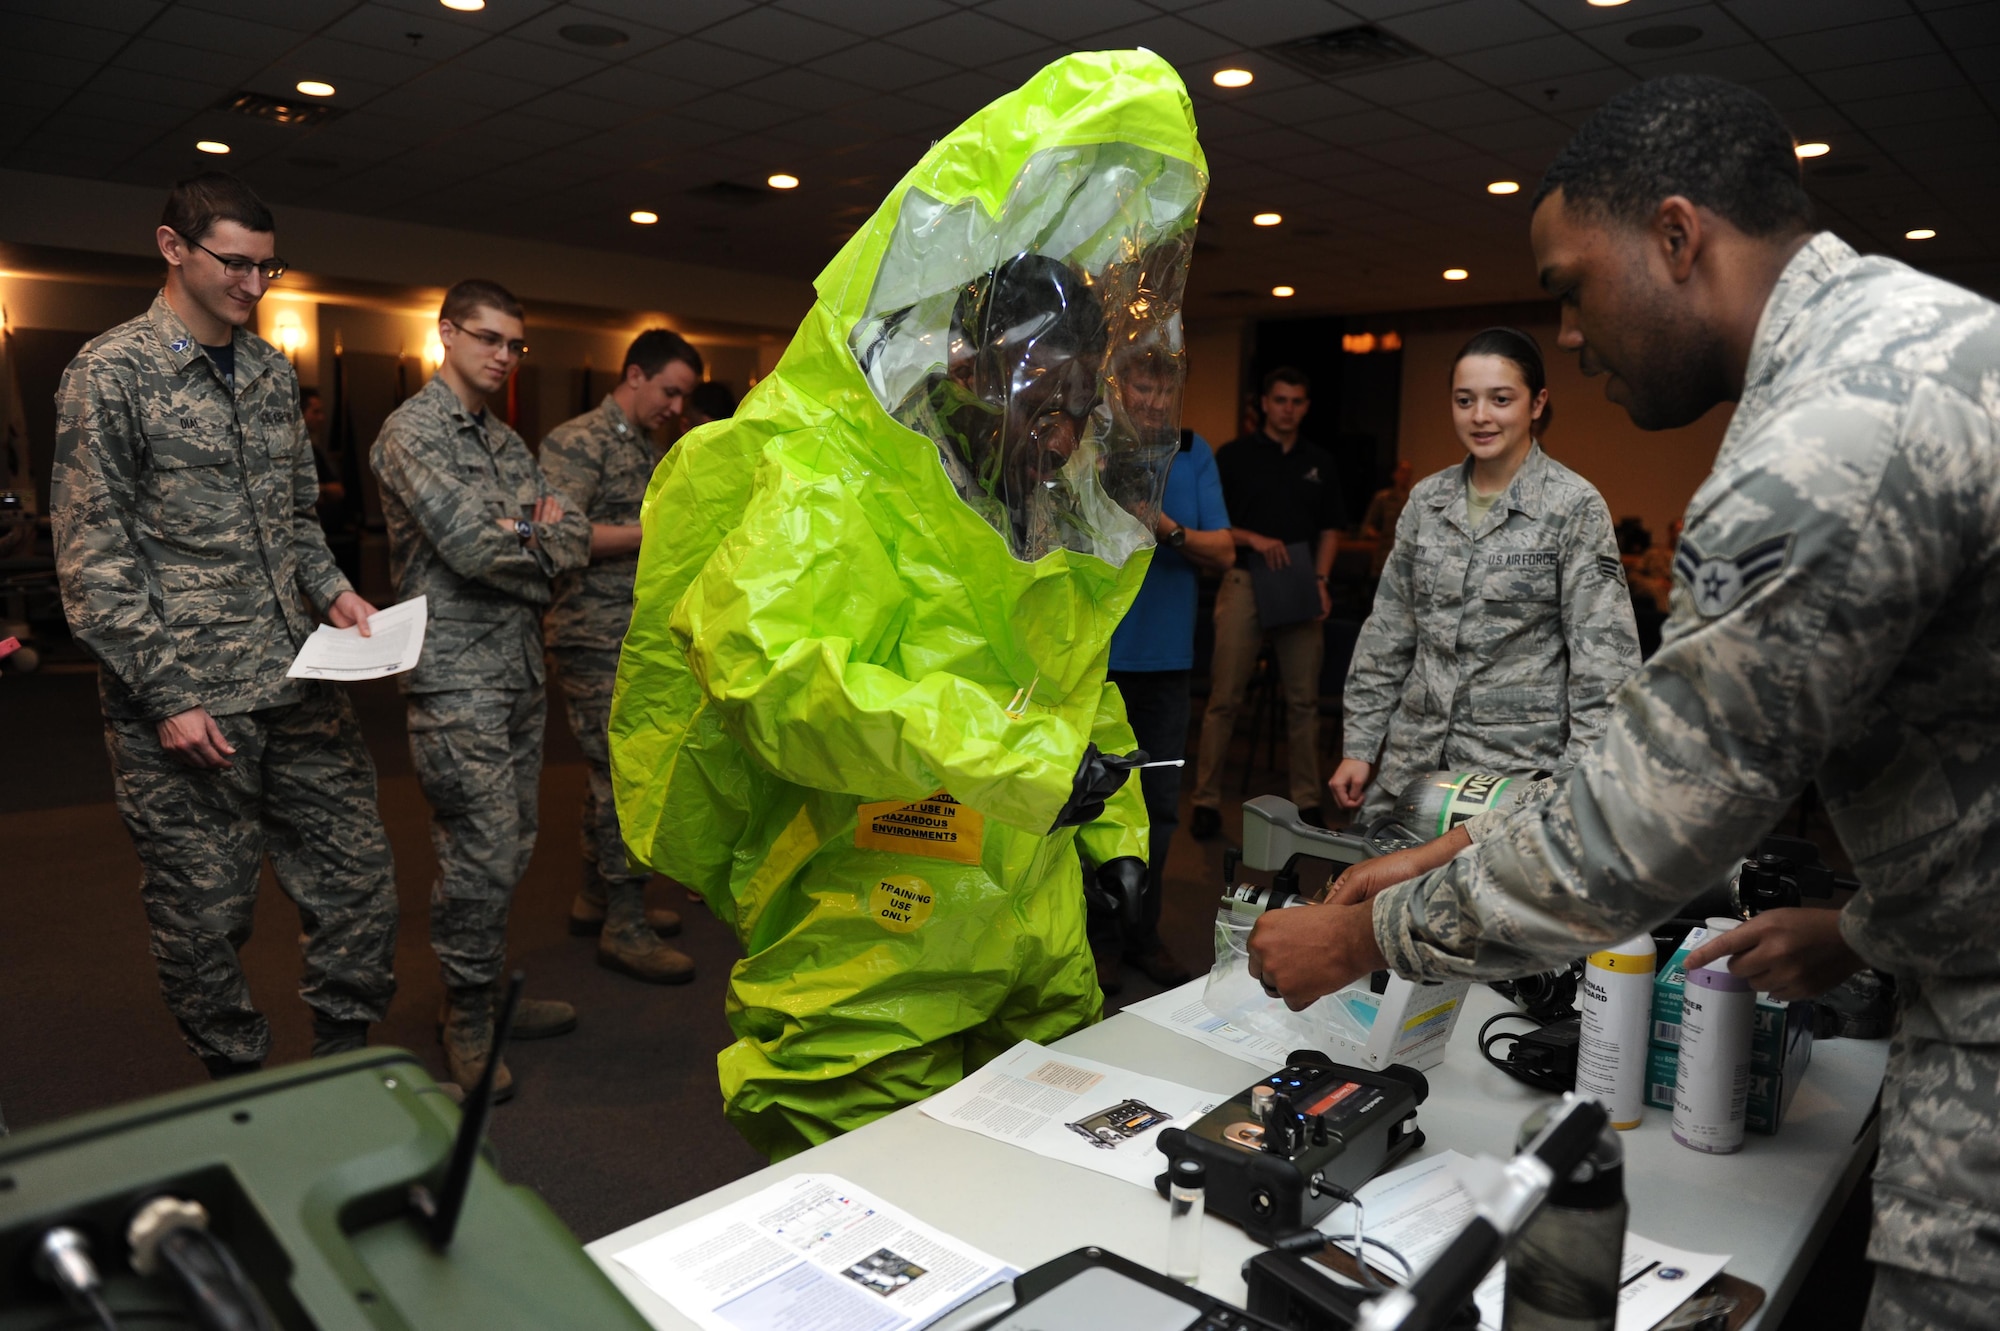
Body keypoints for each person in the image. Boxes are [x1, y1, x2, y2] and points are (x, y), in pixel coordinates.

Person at [1244, 75, 2000, 1330]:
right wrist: (1871, 926)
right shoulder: (1908, 339)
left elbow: (1633, 831)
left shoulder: (1820, 444)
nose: (1570, 338)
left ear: (1673, 236)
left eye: (1567, 287)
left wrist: (1361, 940)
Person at [609, 50, 1198, 1159]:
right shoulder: (836, 484)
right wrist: (1014, 762)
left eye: (1081, 408)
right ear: (972, 371)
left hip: (1029, 947)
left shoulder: (1037, 502)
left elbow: (1068, 674)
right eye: (1047, 406)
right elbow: (769, 676)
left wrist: (1113, 826)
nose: (1066, 437)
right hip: (871, 958)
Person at [50, 172, 397, 1078]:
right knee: (205, 916)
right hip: (191, 704)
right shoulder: (109, 372)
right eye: (234, 264)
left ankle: (341, 1070)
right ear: (173, 248)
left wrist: (336, 593)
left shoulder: (272, 372)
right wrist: (166, 696)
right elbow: (92, 561)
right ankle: (239, 1089)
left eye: (266, 267)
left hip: (300, 678)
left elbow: (293, 520)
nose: (253, 285)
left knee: (359, 884)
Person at [371, 278, 590, 1100]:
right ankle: (464, 1014)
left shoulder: (505, 442)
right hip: (455, 675)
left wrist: (529, 532)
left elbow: (567, 534)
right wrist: (534, 534)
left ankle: (487, 993)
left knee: (517, 843)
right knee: (480, 852)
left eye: (514, 343)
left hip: (518, 670)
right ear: (447, 334)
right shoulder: (410, 433)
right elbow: (470, 546)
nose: (503, 356)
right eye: (489, 338)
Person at [1329, 328, 1639, 828]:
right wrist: (1360, 747)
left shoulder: (1573, 506)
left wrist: (1576, 790)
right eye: (1464, 400)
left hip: (1510, 783)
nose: (1480, 416)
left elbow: (1605, 665)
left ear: (1536, 404)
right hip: (1412, 767)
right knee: (1369, 895)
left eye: (1500, 399)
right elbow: (1387, 634)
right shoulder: (1427, 502)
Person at [539, 329, 701, 984]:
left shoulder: (645, 445)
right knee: (624, 774)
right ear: (634, 374)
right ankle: (623, 924)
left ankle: (595, 895)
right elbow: (558, 533)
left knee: (609, 769)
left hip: (631, 632)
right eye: (670, 391)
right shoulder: (578, 440)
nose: (676, 406)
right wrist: (654, 532)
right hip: (590, 630)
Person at [1092, 343, 1234, 996]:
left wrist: (1163, 525)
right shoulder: (1093, 448)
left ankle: (1143, 935)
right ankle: (1095, 941)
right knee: (1087, 807)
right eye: (1139, 390)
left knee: (1158, 810)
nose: (1150, 402)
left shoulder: (1192, 451)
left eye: (1162, 391)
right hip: (1096, 664)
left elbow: (1224, 550)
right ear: (1118, 389)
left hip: (1165, 667)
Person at [1190, 367, 1343, 837]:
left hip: (1299, 582)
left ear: (1306, 406)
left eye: (1297, 401)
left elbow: (1331, 528)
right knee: (1225, 698)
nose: (1288, 409)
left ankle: (1308, 800)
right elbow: (1209, 524)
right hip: (1244, 579)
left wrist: (1321, 579)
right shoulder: (1234, 456)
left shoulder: (1320, 461)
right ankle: (1206, 800)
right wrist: (1254, 537)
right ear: (1263, 403)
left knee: (1302, 702)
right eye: (1280, 400)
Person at [1359, 460, 1414, 578]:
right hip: (1385, 554)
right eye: (1403, 471)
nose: (1406, 476)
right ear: (1395, 474)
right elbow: (1367, 525)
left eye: (1409, 472)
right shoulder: (1383, 498)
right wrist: (1373, 534)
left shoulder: (1415, 500)